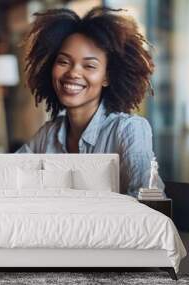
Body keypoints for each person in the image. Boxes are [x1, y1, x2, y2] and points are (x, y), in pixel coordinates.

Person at [17, 7, 164, 197]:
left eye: (89, 66)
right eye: (64, 62)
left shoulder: (128, 130)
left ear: (107, 77)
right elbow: (8, 176)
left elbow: (147, 200)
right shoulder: (48, 135)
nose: (73, 73)